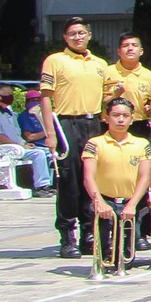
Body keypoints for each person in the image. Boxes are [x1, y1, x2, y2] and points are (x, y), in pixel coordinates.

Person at [42, 17, 112, 258]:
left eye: (81, 32)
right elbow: (45, 97)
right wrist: (50, 133)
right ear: (65, 37)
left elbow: (104, 95)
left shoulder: (100, 64)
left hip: (93, 124)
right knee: (69, 180)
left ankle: (88, 232)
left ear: (89, 35)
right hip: (66, 123)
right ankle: (67, 234)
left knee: (91, 178)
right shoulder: (55, 61)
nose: (77, 37)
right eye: (72, 33)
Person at [82, 97, 151, 270]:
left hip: (131, 201)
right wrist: (99, 203)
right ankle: (104, 252)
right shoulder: (95, 143)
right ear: (106, 118)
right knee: (105, 250)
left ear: (132, 118)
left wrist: (132, 205)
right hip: (105, 200)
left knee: (126, 256)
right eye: (115, 115)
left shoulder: (142, 143)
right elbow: (88, 177)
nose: (120, 120)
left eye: (125, 116)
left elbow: (145, 177)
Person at [0, 85, 51, 190]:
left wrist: (24, 144)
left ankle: (49, 184)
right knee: (38, 154)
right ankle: (41, 186)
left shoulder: (11, 113)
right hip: (5, 149)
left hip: (18, 146)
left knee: (47, 152)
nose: (11, 97)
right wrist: (18, 146)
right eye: (8, 95)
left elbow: (17, 133)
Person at [103, 34, 151, 140]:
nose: (130, 48)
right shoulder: (106, 72)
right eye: (125, 45)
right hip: (109, 125)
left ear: (141, 51)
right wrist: (115, 95)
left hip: (138, 125)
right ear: (118, 51)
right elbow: (98, 102)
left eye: (134, 45)